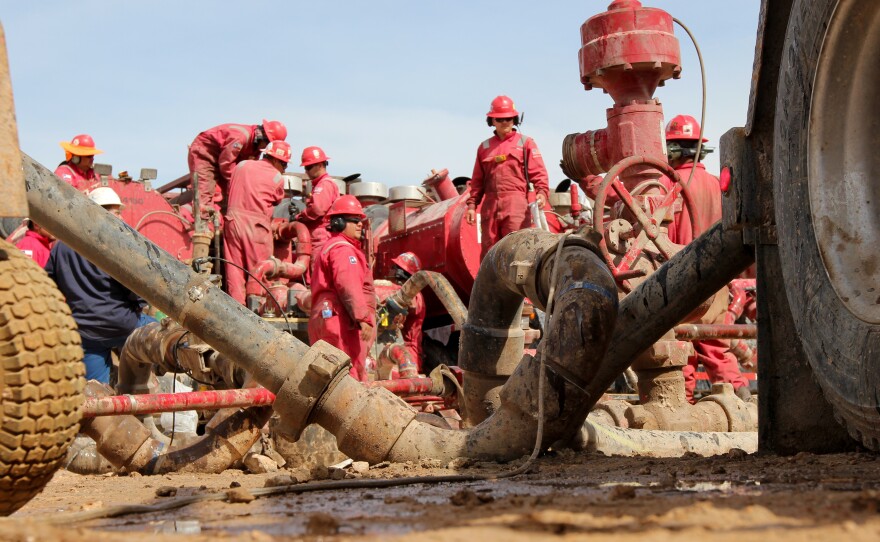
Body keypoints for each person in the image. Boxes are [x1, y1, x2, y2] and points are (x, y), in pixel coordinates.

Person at [660, 114, 751, 403]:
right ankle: (741, 398)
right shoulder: (716, 183)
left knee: (680, 345)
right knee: (715, 343)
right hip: (717, 281)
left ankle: (682, 409)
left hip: (679, 280)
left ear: (671, 149)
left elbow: (660, 237)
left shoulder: (666, 184)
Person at [45, 187, 157, 383]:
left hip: (84, 330)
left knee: (96, 392)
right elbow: (138, 292)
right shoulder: (116, 244)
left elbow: (47, 286)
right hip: (122, 326)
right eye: (116, 212)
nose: (120, 218)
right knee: (168, 335)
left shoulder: (61, 246)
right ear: (100, 212)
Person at [465, 95, 550, 259]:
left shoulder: (525, 143)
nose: (505, 122)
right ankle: (492, 285)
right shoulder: (484, 147)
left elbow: (539, 172)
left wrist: (542, 192)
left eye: (509, 119)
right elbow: (477, 182)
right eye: (500, 119)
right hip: (489, 206)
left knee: (516, 250)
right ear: (492, 121)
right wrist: (471, 206)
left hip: (516, 204)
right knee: (490, 253)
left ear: (515, 120)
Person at [309, 195, 376, 382]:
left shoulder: (329, 247)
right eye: (354, 221)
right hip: (339, 321)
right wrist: (363, 318)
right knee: (349, 378)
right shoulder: (343, 249)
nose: (360, 225)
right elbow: (348, 284)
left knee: (328, 381)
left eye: (360, 220)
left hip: (325, 317)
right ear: (338, 223)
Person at [223, 141, 290, 304]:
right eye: (285, 165)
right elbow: (277, 200)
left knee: (234, 270)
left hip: (232, 222)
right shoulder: (277, 178)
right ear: (277, 161)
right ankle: (261, 312)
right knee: (260, 273)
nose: (284, 169)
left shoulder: (242, 165)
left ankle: (236, 310)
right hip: (256, 226)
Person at [187, 119, 287, 221]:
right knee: (205, 190)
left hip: (222, 158)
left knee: (228, 195)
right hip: (205, 153)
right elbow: (226, 164)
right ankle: (203, 227)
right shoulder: (241, 137)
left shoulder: (256, 147)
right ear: (264, 137)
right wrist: (240, 184)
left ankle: (222, 224)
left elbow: (248, 168)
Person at [294, 146, 339, 258]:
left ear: (320, 165)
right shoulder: (320, 184)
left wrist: (299, 216)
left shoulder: (324, 184)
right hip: (318, 235)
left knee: (316, 272)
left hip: (321, 236)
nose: (306, 171)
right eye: (305, 168)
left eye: (308, 167)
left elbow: (317, 209)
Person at [387, 252, 426, 371]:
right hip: (398, 352)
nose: (389, 271)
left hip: (407, 355)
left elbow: (411, 305)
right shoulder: (404, 293)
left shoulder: (414, 296)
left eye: (393, 268)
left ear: (400, 273)